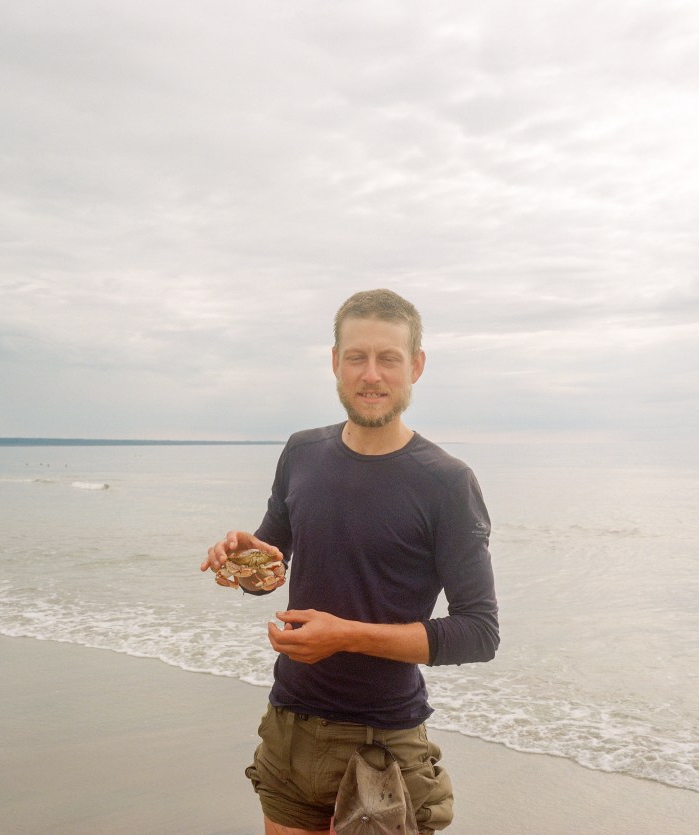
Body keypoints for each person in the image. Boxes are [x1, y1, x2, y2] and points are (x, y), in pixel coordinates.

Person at [201, 289, 500, 835]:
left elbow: (479, 633)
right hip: (289, 727)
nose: (371, 374)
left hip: (383, 743)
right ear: (335, 362)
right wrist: (244, 560)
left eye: (389, 358)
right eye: (357, 357)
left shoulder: (447, 482)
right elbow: (271, 567)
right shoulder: (301, 453)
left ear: (416, 366)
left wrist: (345, 636)